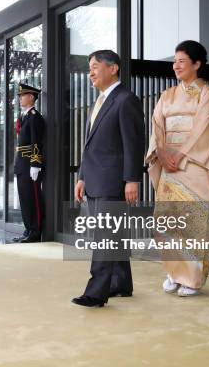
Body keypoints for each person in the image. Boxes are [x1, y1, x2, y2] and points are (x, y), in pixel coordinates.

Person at [145, 40, 209, 297]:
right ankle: (174, 272)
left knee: (194, 222)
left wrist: (179, 155)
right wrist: (161, 152)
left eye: (182, 61)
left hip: (194, 165)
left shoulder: (207, 94)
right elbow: (157, 127)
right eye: (175, 61)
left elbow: (207, 130)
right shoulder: (166, 96)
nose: (176, 66)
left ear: (197, 64)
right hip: (169, 165)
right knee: (167, 221)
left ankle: (191, 278)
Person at [72, 50, 145, 308]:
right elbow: (90, 146)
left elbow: (133, 144)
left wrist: (132, 179)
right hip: (94, 179)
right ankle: (121, 284)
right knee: (114, 234)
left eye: (94, 66)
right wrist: (81, 178)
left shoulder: (126, 100)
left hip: (112, 181)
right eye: (89, 67)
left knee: (104, 236)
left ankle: (96, 292)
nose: (90, 72)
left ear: (113, 68)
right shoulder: (99, 101)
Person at [13, 83, 45, 243]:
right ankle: (28, 230)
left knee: (33, 199)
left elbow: (36, 142)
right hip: (21, 164)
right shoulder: (24, 116)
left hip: (30, 165)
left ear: (31, 97)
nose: (20, 98)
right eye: (19, 96)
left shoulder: (34, 117)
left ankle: (35, 232)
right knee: (24, 198)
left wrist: (36, 164)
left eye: (22, 95)